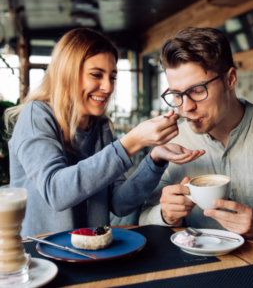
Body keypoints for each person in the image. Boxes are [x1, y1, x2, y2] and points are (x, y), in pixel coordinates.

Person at [5, 28, 204, 237]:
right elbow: (56, 192)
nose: (108, 87)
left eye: (112, 77)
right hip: (42, 258)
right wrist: (130, 143)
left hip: (92, 254)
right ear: (67, 74)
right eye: (96, 75)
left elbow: (119, 204)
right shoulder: (36, 115)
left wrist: (154, 160)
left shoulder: (100, 127)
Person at [139, 27, 253, 256]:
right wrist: (165, 215)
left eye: (197, 90)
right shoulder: (172, 143)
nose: (186, 107)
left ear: (230, 79)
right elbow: (144, 218)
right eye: (176, 94)